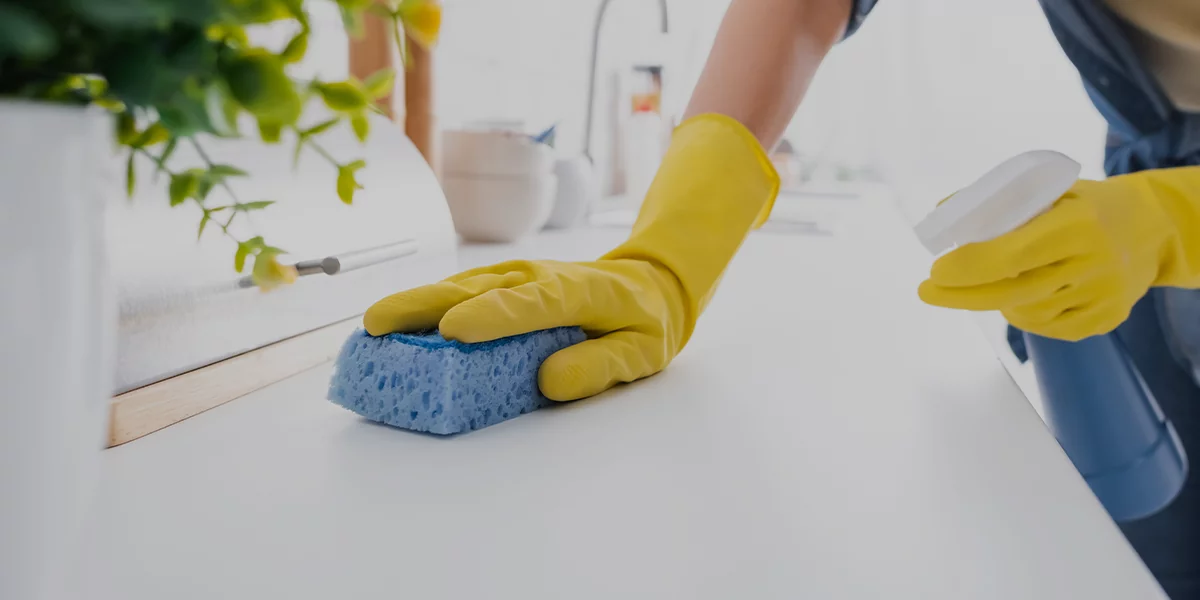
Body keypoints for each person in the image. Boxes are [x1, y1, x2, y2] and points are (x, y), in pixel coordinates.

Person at [364, 0, 1200, 595]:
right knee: (1150, 554)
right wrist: (670, 252)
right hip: (1150, 187)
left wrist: (1174, 223)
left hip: (1160, 208)